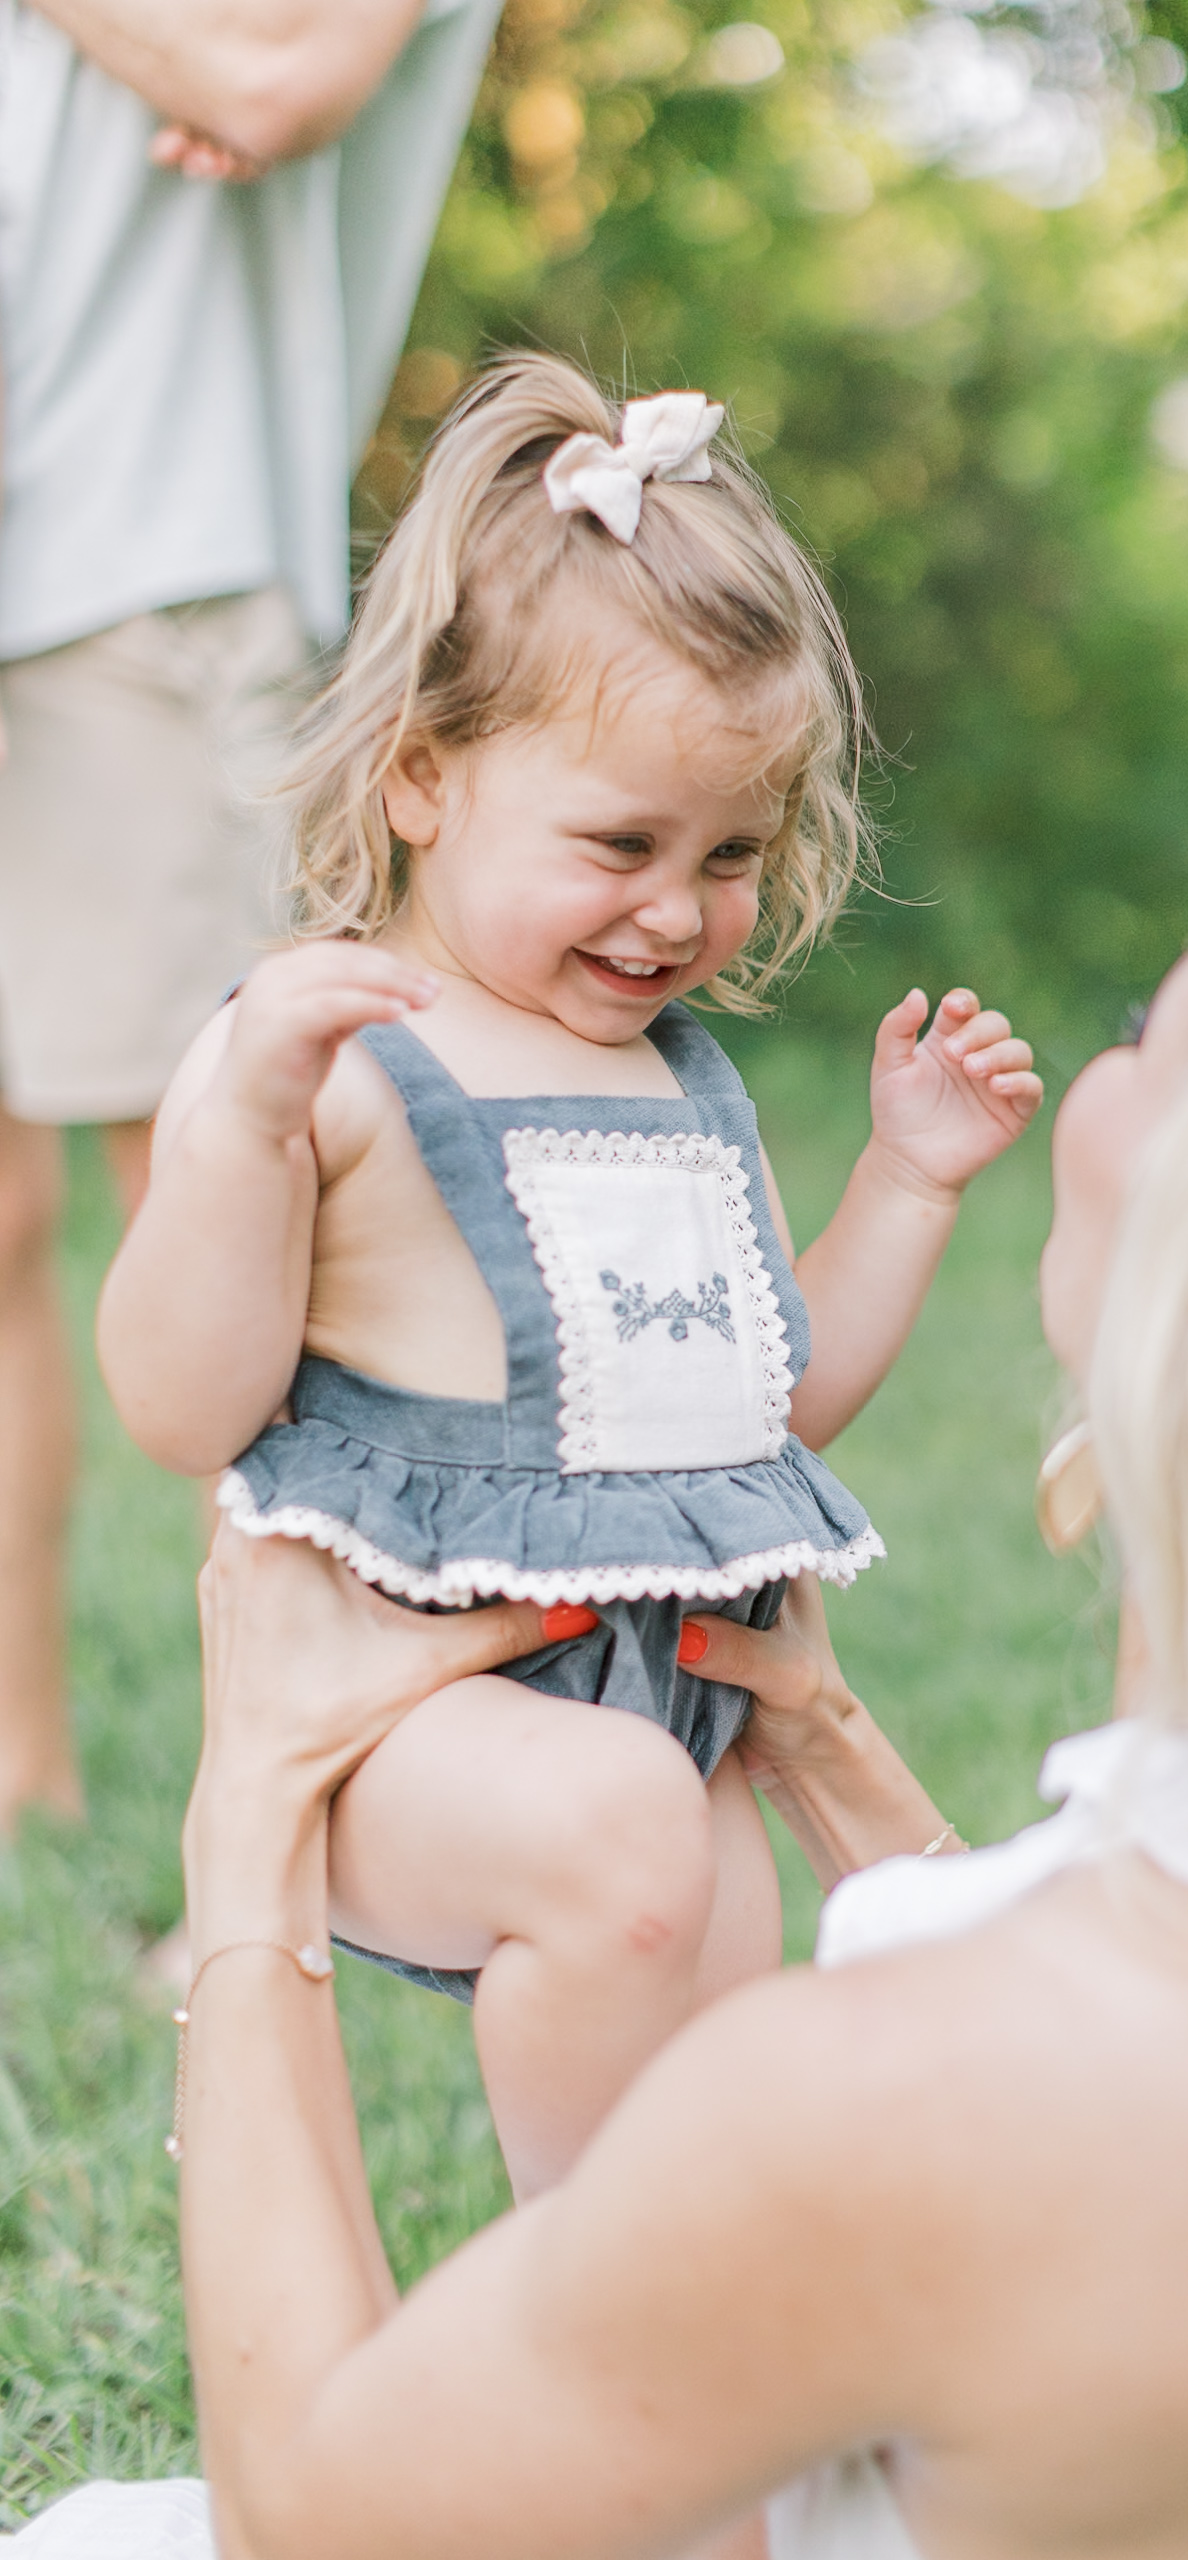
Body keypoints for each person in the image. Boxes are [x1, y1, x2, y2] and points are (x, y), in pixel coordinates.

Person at [31, 801, 1188, 2560]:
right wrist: (826, 1741)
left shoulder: (856, 2115)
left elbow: (314, 2515)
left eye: (1145, 1026)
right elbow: (1093, 1984)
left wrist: (249, 1856)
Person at [96, 352, 1043, 2196]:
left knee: (718, 2064)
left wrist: (909, 1189)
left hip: (668, 1716)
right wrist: (240, 1136)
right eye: (621, 845)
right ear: (423, 777)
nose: (676, 912)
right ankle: (565, 2339)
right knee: (620, 1830)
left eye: (732, 856)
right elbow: (179, 1404)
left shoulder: (680, 1087)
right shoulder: (333, 1049)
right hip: (407, 1722)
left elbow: (760, 1403)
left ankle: (668, 2387)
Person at [0, 0, 504, 1828]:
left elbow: (276, 79)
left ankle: (296, 1808)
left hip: (151, 560)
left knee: (215, 1207)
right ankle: (21, 1774)